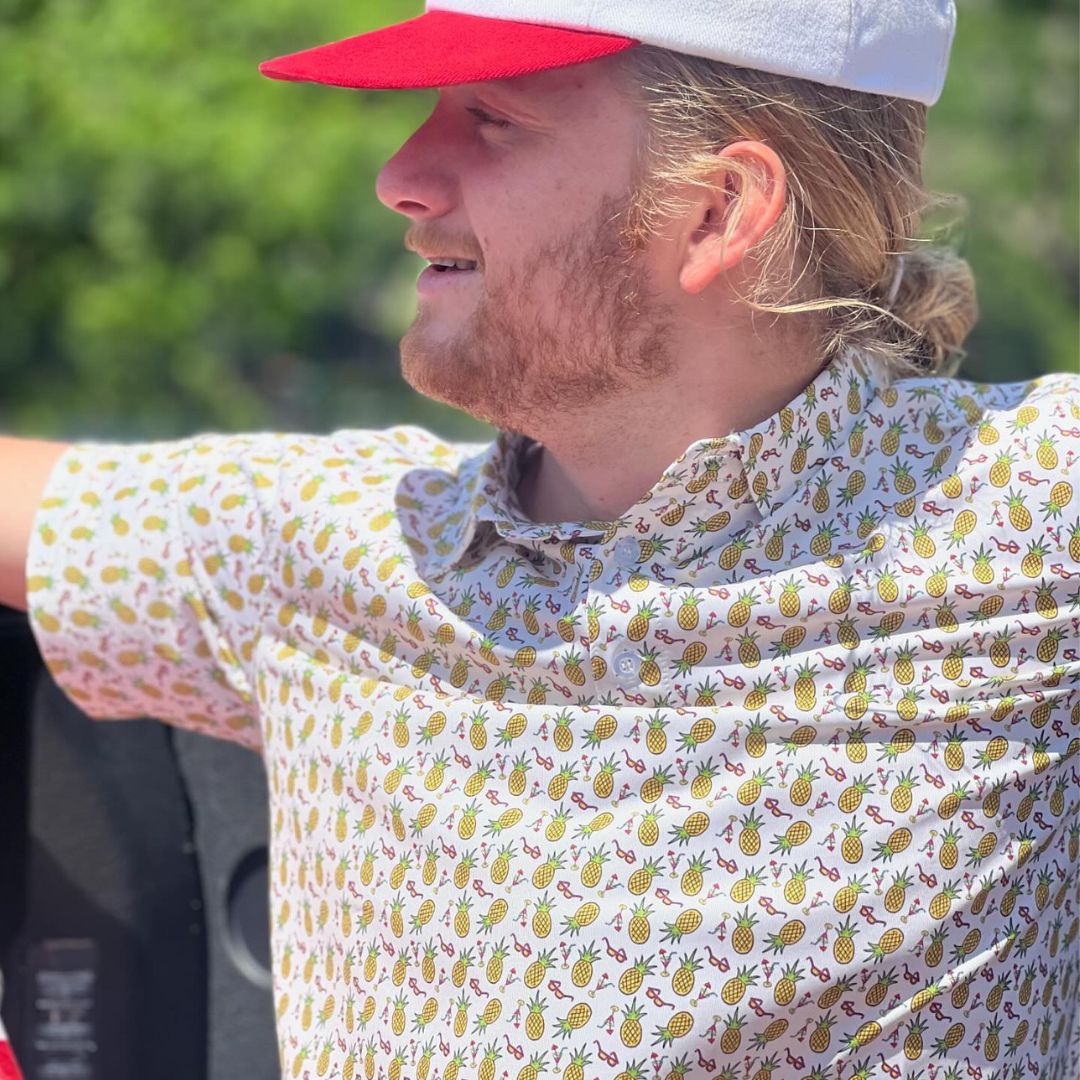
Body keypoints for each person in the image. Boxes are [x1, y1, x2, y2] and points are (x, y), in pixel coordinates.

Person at [1, 2, 1078, 1078]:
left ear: (717, 208)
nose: (401, 176)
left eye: (494, 119)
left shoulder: (1029, 512)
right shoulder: (328, 543)